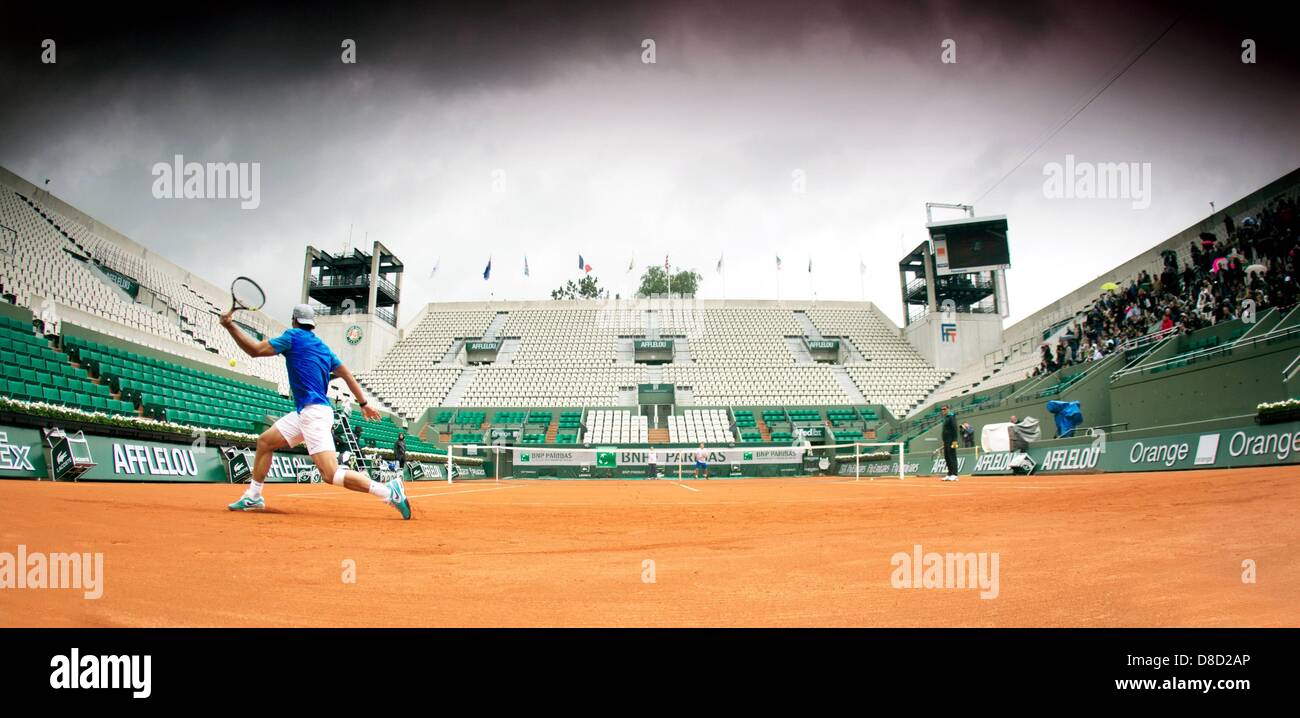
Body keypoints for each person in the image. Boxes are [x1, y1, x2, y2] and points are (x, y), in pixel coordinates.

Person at [221, 303, 411, 519]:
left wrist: (230, 326)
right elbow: (348, 374)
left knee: (330, 474)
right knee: (266, 441)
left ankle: (389, 492)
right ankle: (254, 495)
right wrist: (363, 403)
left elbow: (255, 350)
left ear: (294, 320)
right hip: (308, 413)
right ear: (313, 325)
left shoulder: (292, 336)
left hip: (313, 414)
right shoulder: (324, 349)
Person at [940, 405, 959, 482]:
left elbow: (955, 428)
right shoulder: (945, 418)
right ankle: (949, 474)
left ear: (948, 409)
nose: (943, 410)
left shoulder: (951, 417)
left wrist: (954, 440)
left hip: (951, 440)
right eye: (942, 409)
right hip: (946, 441)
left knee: (952, 457)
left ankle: (954, 474)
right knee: (947, 457)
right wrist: (943, 442)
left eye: (944, 409)